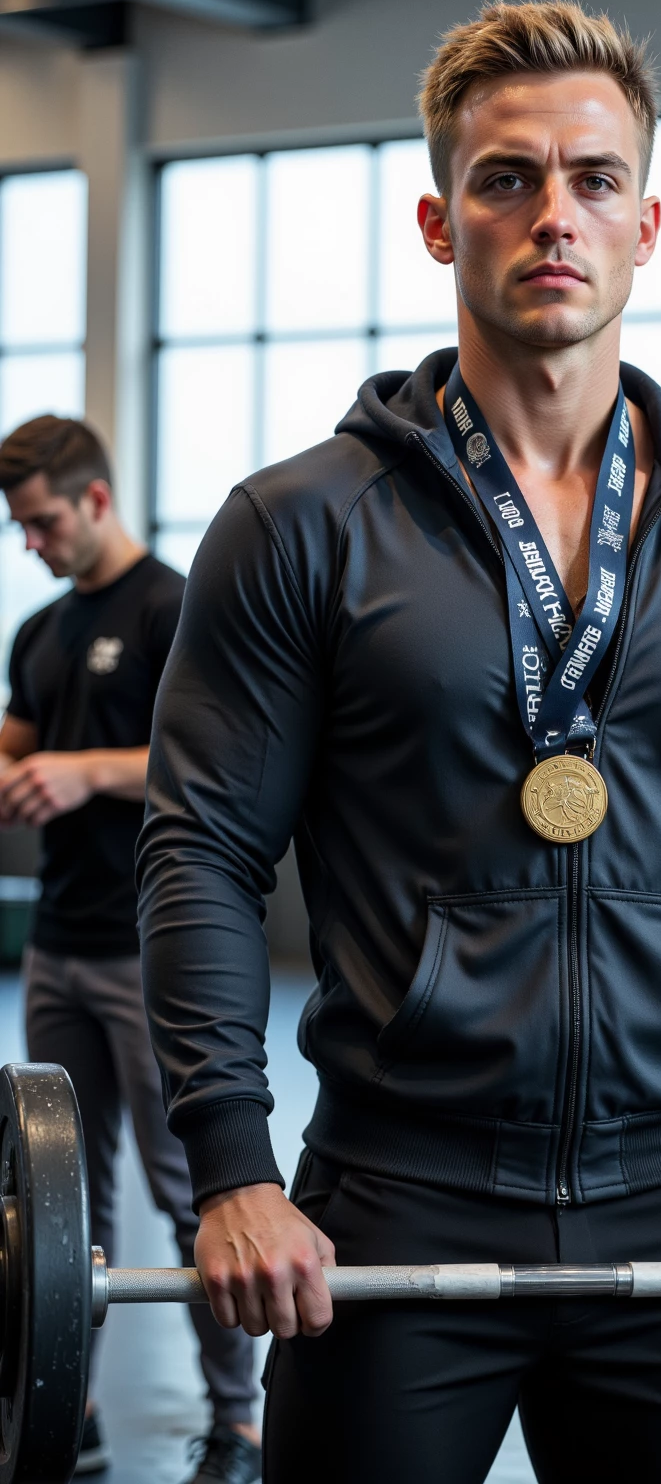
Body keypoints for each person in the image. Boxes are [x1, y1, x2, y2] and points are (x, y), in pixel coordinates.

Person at [138, 0, 661, 1484]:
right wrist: (231, 1171)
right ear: (441, 221)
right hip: (388, 1206)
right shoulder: (299, 526)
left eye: (592, 178)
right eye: (506, 179)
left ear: (647, 220)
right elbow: (205, 853)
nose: (552, 214)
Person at [0, 417, 260, 1483]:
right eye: (20, 528)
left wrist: (81, 771)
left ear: (96, 501)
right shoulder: (42, 630)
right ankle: (77, 1406)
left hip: (153, 952)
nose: (33, 543)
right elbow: (23, 738)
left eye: (45, 522)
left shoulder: (173, 608)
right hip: (56, 948)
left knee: (193, 1192)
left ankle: (238, 1425)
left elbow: (220, 753)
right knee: (62, 1207)